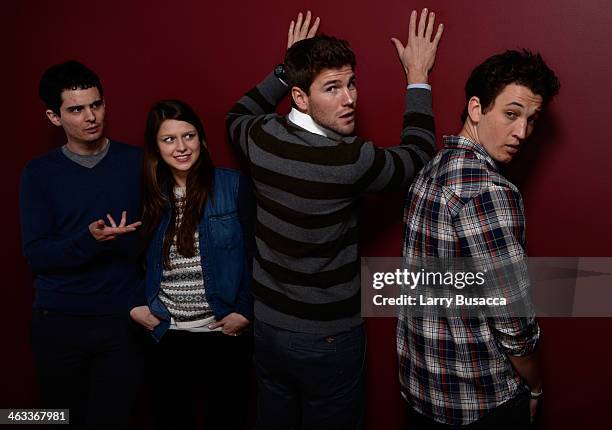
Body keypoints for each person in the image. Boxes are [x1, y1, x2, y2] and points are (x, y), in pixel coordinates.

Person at [226, 9, 443, 429]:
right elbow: (418, 156)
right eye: (332, 88)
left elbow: (236, 115)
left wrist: (284, 66)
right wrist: (418, 75)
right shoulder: (350, 160)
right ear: (300, 97)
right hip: (326, 339)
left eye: (351, 83)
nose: (349, 98)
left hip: (268, 329)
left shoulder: (260, 137)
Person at [398, 50, 560, 428]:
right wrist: (535, 385)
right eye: (511, 113)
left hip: (421, 391)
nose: (522, 132)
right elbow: (513, 322)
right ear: (476, 109)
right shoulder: (488, 191)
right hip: (479, 403)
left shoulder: (430, 171)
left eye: (531, 119)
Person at [20, 61, 143, 429]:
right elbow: (36, 254)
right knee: (56, 420)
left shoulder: (136, 162)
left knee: (114, 419)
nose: (91, 117)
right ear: (54, 117)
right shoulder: (39, 173)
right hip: (59, 322)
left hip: (121, 320)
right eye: (76, 109)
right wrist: (88, 241)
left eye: (97, 105)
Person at [129, 99, 255, 430]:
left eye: (189, 136)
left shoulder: (233, 185)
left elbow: (257, 255)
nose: (182, 147)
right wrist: (135, 304)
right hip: (166, 335)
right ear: (156, 147)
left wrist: (245, 310)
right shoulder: (150, 196)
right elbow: (130, 258)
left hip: (222, 334)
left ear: (201, 138)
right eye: (168, 139)